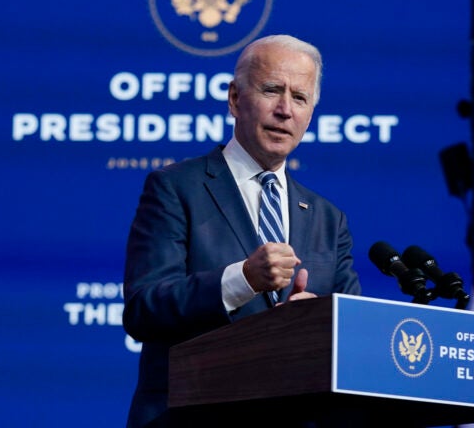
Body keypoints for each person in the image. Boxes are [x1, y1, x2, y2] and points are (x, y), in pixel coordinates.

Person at [123, 34, 362, 427]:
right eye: (272, 90)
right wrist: (242, 279)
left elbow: (353, 337)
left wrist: (318, 323)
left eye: (300, 98)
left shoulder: (327, 218)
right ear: (235, 99)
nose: (285, 110)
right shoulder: (175, 188)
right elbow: (143, 309)